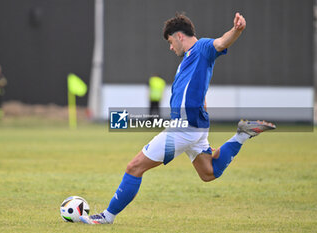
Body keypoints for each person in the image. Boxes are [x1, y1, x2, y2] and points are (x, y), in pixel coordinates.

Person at [80, 12, 276, 224]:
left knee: (134, 167)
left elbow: (220, 43)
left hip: (184, 128)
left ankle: (107, 217)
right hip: (195, 126)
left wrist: (237, 30)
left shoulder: (201, 48)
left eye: (170, 41)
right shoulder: (188, 60)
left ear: (179, 36)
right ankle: (241, 135)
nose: (170, 47)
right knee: (209, 172)